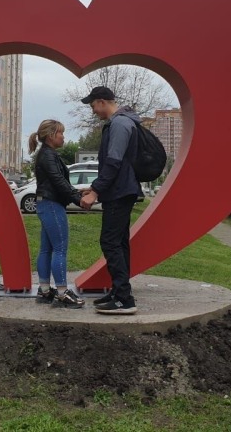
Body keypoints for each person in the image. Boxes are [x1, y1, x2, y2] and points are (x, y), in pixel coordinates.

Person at [79, 86, 143, 315]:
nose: (93, 110)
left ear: (103, 101)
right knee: (120, 243)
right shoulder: (124, 122)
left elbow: (114, 162)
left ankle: (124, 299)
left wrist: (95, 191)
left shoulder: (119, 124)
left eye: (93, 105)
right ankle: (119, 292)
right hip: (121, 190)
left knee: (110, 242)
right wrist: (95, 186)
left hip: (119, 192)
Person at [28, 119, 85, 308]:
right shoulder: (48, 156)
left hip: (45, 204)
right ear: (52, 136)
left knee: (46, 249)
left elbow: (58, 181)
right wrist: (78, 200)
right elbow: (58, 181)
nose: (63, 136)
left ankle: (44, 291)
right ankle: (62, 293)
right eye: (61, 133)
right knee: (60, 249)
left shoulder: (46, 154)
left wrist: (76, 193)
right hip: (52, 205)